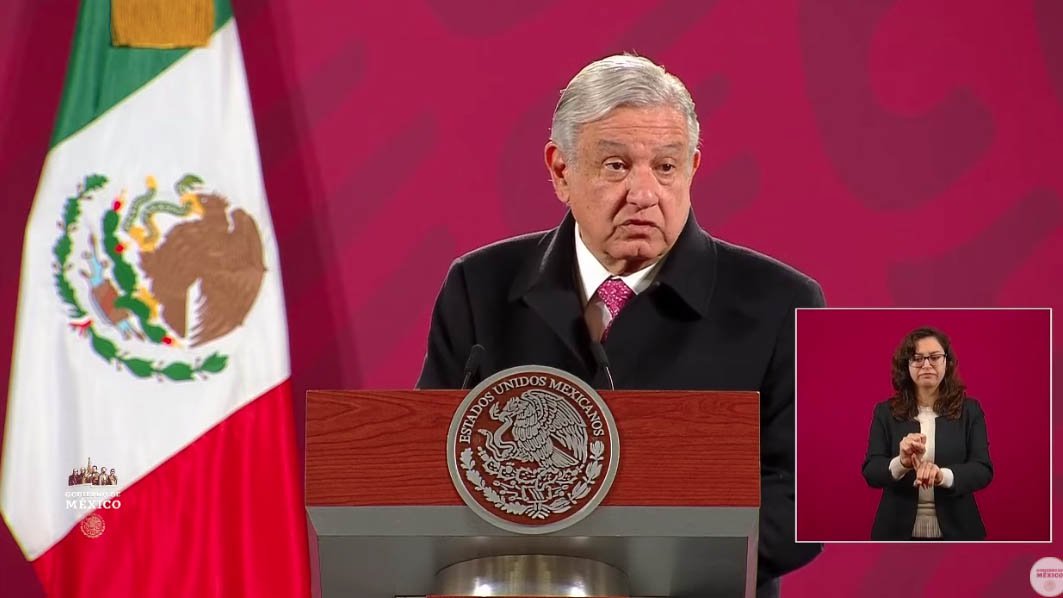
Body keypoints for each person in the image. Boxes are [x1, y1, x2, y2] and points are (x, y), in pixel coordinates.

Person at [417, 54, 825, 596]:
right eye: (616, 165)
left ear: (693, 168)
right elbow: (423, 475)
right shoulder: (479, 287)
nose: (644, 193)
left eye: (666, 167)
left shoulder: (782, 303)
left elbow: (799, 502)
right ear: (561, 170)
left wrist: (636, 564)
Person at [862, 327, 992, 540]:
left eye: (934, 357)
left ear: (946, 362)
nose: (926, 365)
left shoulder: (970, 411)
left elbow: (982, 469)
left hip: (959, 530)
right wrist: (901, 463)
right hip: (896, 532)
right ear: (906, 365)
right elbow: (871, 471)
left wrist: (942, 476)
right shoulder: (885, 412)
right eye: (917, 358)